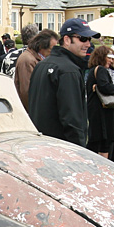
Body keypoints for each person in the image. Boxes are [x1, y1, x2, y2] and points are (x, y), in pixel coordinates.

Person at [26, 19, 98, 147]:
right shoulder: (68, 71)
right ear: (66, 40)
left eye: (89, 39)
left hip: (40, 144)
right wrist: (79, 151)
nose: (88, 44)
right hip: (61, 149)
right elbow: (72, 119)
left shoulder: (42, 65)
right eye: (82, 38)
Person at [85, 45, 114, 159]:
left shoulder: (92, 70)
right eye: (109, 57)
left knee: (97, 141)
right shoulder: (100, 70)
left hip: (96, 110)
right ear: (102, 56)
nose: (111, 60)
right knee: (103, 142)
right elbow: (105, 87)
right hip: (102, 112)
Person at [14, 29, 57, 110]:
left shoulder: (35, 58)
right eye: (51, 49)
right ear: (41, 46)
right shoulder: (28, 60)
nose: (53, 52)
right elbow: (26, 91)